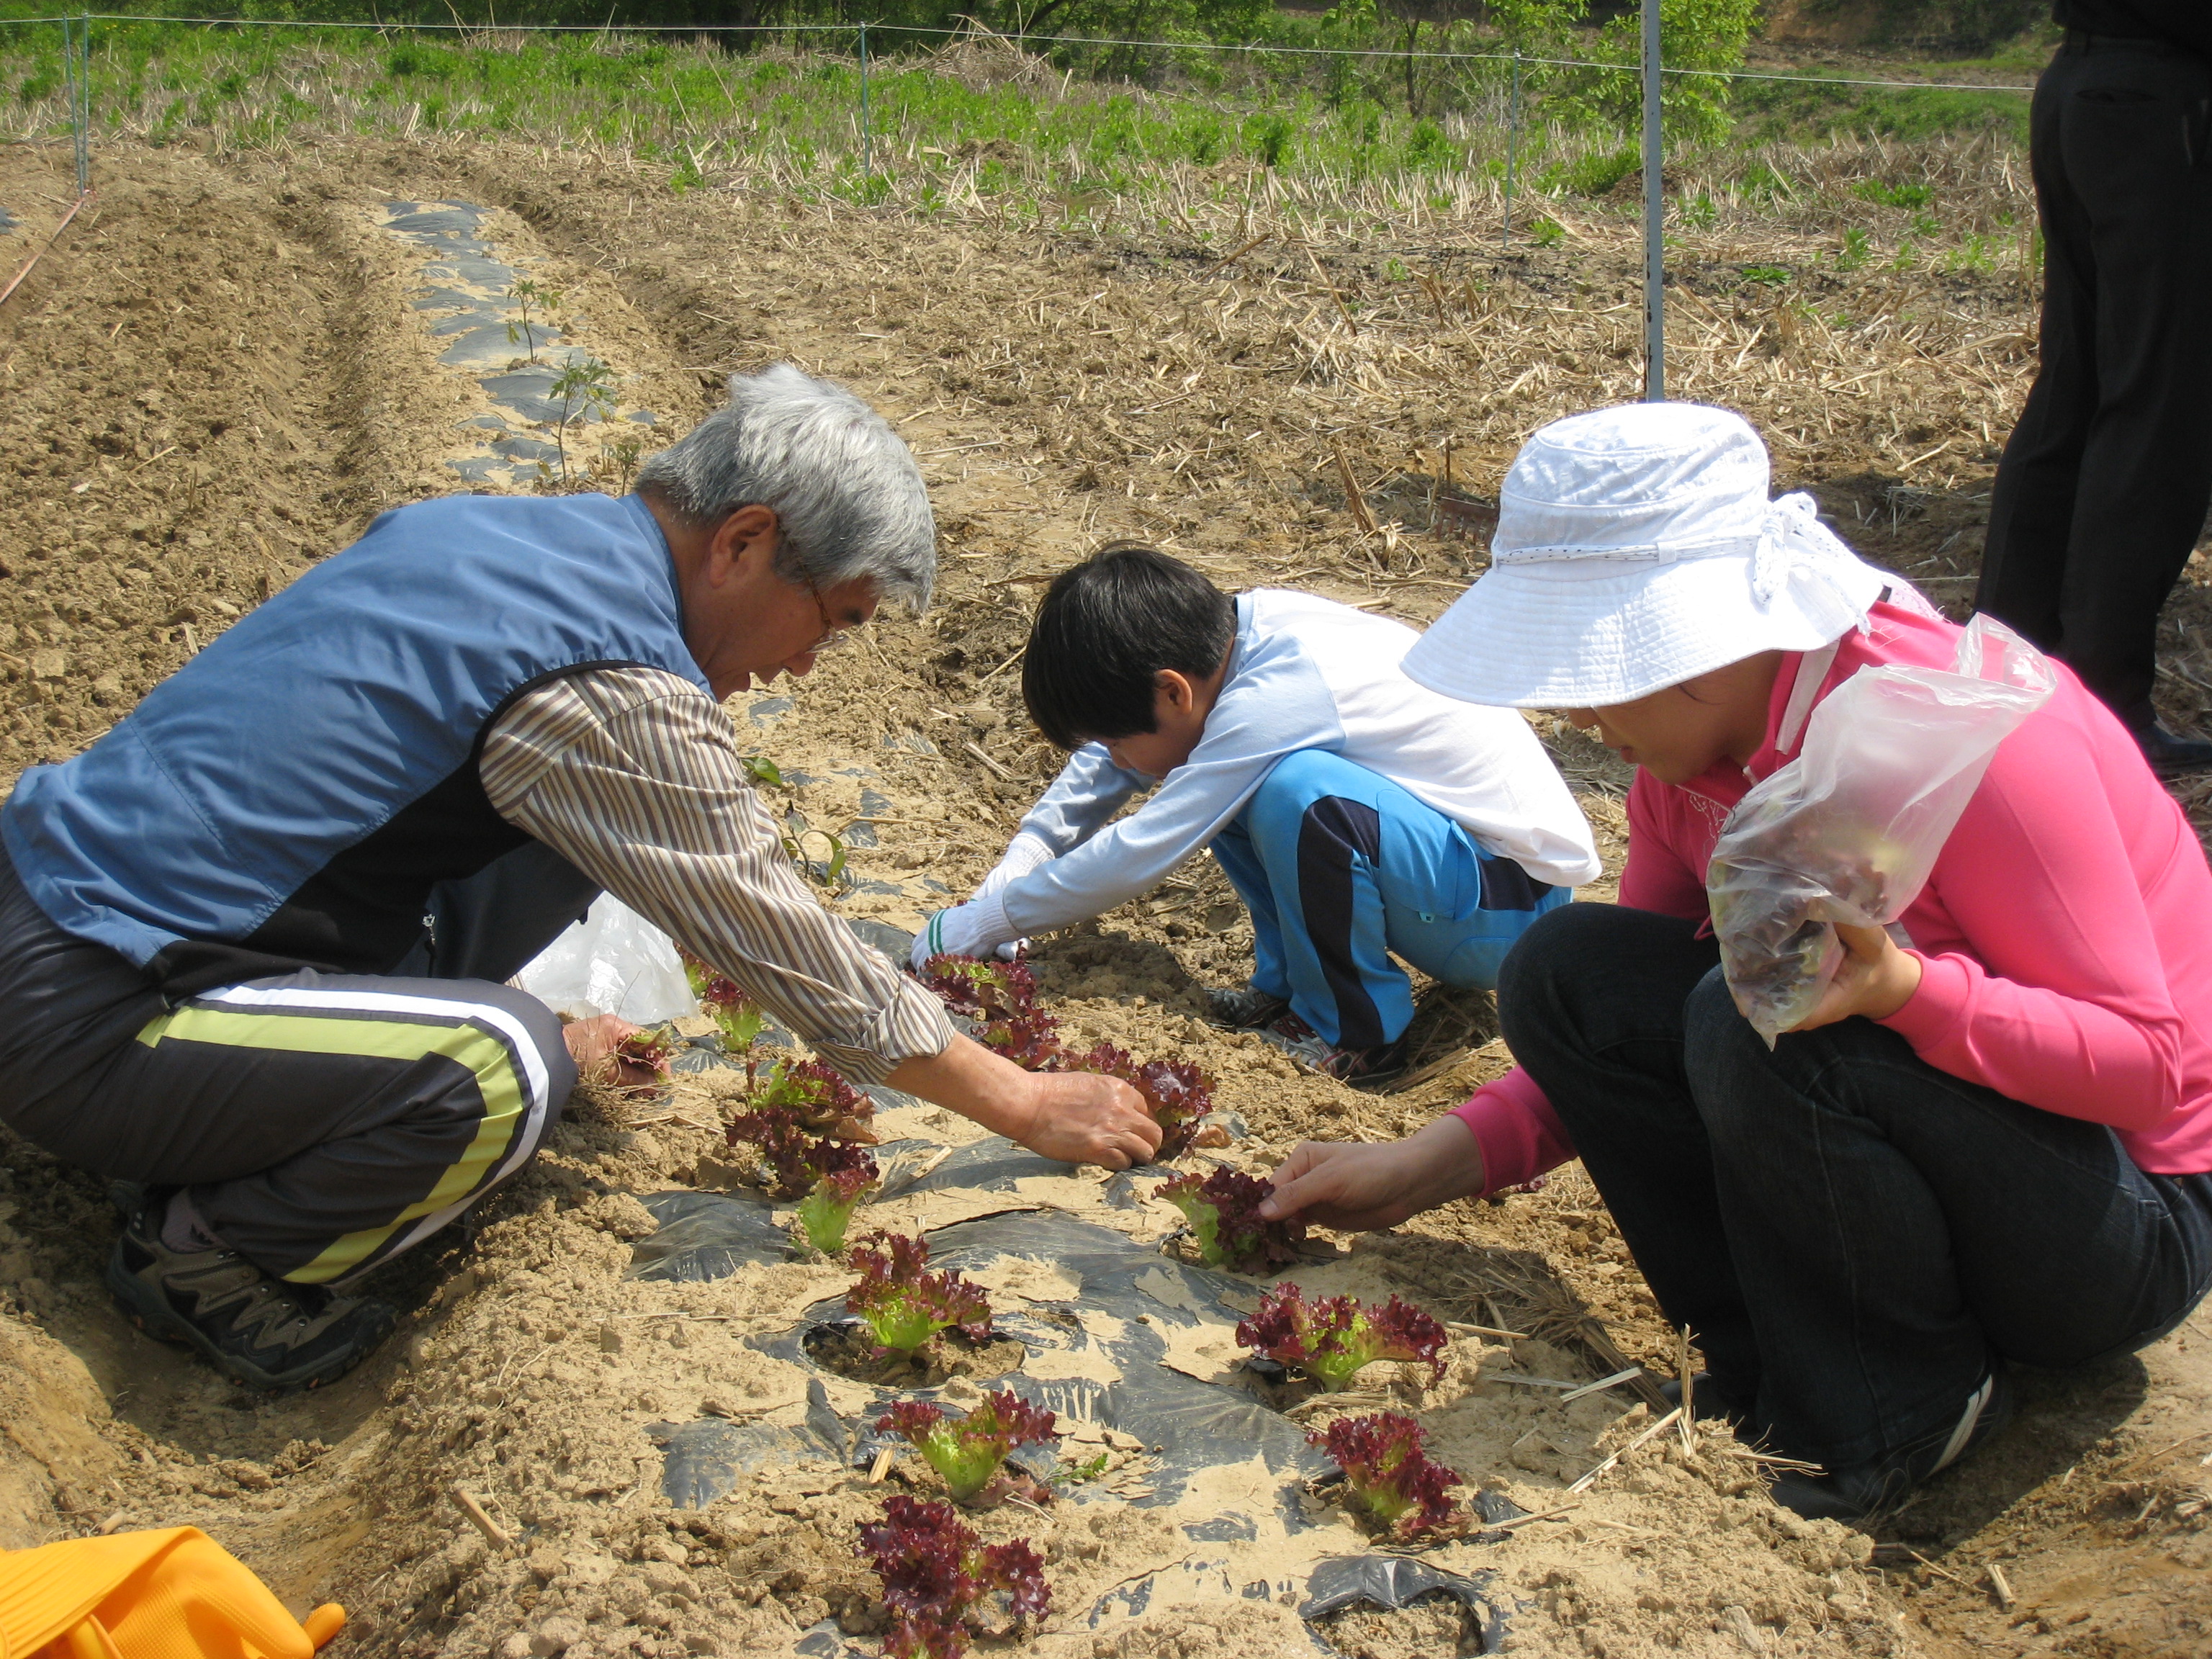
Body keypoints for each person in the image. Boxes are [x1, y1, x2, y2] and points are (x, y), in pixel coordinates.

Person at [0, 365, 1159, 1392]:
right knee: (499, 1066)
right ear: (744, 543)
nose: (807, 661)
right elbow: (781, 944)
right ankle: (207, 1252)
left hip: (54, 907)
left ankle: (237, 1118)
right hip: (96, 1007)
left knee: (556, 858)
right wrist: (1022, 1101)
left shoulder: (496, 536)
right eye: (832, 620)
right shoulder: (610, 680)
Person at [1262, 403, 2212, 1521]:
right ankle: (1781, 1368)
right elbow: (1618, 1029)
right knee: (1565, 970)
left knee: (1752, 1016)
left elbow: (2153, 1064)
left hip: (2115, 1222)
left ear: (1708, 647)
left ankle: (1907, 1410)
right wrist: (1426, 1162)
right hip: (1939, 1169)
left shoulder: (1971, 741)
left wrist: (1914, 992)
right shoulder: (1692, 770)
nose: (1572, 711)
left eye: (1595, 670)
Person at [911, 543, 1600, 1087]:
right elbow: (1111, 759)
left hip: (1512, 908)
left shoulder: (1280, 694)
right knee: (1242, 783)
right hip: (1456, 875)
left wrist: (990, 921)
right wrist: (1024, 858)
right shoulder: (1229, 640)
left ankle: (1357, 1034)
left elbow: (1147, 846)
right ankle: (1291, 992)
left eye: (1119, 736)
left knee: (1295, 793)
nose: (1115, 755)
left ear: (1173, 691)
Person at [1978, 4, 2212, 773]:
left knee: (2073, 388)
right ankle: (2106, 704)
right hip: (2159, 103)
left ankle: (1999, 672)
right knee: (2156, 407)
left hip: (2082, 87)